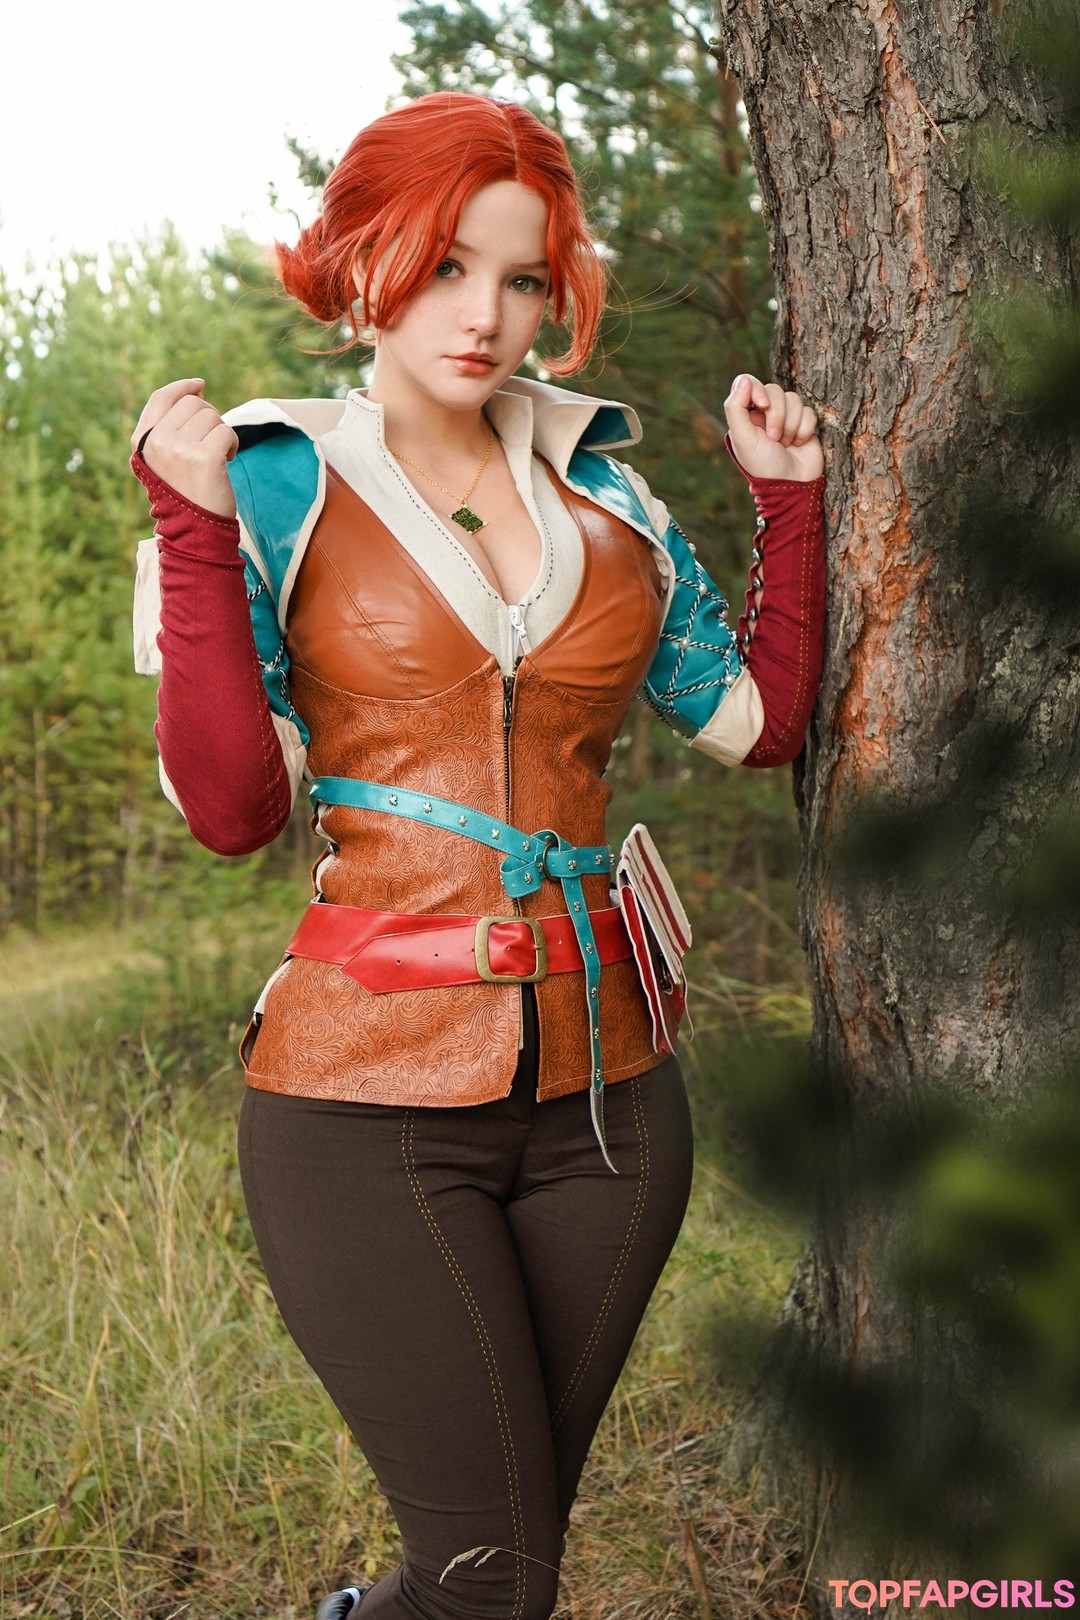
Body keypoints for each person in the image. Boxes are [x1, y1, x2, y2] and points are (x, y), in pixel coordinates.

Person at [129, 91, 825, 1620]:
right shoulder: (270, 482)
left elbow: (756, 723)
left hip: (614, 1106)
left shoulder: (609, 495)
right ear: (364, 257)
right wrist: (189, 530)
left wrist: (791, 503)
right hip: (360, 1105)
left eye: (520, 278)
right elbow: (234, 812)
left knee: (498, 1574)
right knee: (492, 1582)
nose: (485, 316)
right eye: (445, 267)